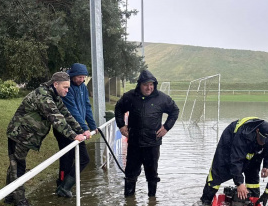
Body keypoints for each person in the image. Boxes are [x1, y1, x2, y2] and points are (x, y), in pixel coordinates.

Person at [4, 72, 91, 206]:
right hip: (19, 134)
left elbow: (66, 115)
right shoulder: (43, 96)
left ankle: (9, 196)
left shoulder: (54, 96)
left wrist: (81, 130)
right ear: (55, 84)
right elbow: (56, 118)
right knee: (17, 166)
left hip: (27, 135)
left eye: (68, 88)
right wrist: (73, 135)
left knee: (15, 165)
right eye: (65, 87)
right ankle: (19, 201)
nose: (67, 90)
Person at [113, 69, 179, 198]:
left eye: (151, 84)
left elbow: (174, 111)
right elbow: (119, 108)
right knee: (131, 174)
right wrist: (121, 125)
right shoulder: (130, 97)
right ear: (140, 85)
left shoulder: (162, 98)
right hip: (134, 143)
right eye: (145, 85)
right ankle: (129, 203)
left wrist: (166, 127)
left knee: (152, 175)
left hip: (152, 143)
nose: (149, 88)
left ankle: (152, 201)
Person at [199, 117, 268, 205]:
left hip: (253, 148)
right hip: (231, 142)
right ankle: (205, 203)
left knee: (253, 173)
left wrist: (267, 166)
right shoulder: (243, 135)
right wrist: (239, 183)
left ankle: (253, 202)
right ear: (257, 131)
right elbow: (236, 160)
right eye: (262, 140)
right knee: (218, 173)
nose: (263, 143)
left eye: (265, 142)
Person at [53, 62, 97, 197]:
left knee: (74, 158)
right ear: (72, 76)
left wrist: (93, 126)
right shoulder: (67, 88)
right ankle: (64, 186)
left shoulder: (83, 87)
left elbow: (87, 107)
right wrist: (84, 128)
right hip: (65, 129)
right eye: (79, 77)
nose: (82, 80)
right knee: (76, 158)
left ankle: (63, 186)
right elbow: (72, 110)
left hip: (78, 129)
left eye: (84, 77)